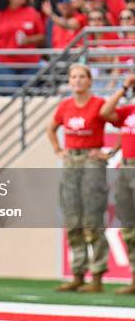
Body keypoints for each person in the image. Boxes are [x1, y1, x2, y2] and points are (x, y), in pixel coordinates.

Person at [47, 64, 112, 293]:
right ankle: (78, 273)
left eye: (82, 77)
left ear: (89, 81)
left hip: (92, 161)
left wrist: (110, 153)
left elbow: (122, 124)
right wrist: (58, 149)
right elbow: (51, 128)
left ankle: (97, 275)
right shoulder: (65, 105)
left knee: (92, 219)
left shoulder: (99, 105)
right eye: (73, 77)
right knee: (72, 219)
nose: (77, 81)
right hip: (71, 161)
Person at [100, 74, 135, 295]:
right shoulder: (129, 111)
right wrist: (124, 87)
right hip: (127, 167)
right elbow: (105, 113)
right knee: (129, 225)